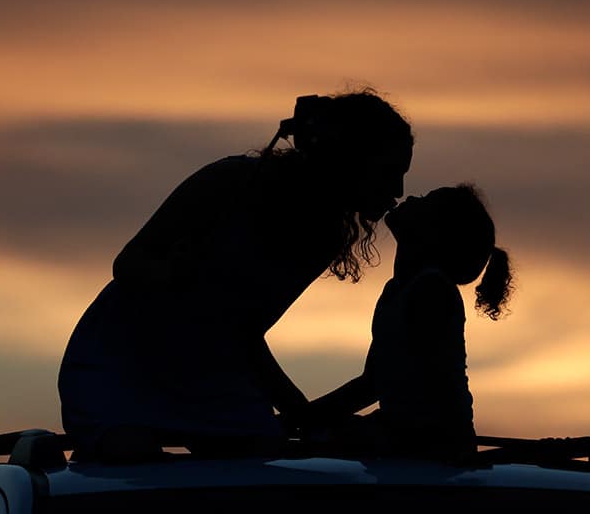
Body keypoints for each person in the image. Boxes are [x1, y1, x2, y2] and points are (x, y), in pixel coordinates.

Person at [58, 90, 414, 459]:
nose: (399, 191)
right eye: (390, 172)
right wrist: (173, 274)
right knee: (131, 460)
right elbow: (128, 264)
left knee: (257, 462)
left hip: (209, 372)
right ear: (349, 158)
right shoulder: (230, 180)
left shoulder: (324, 237)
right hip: (121, 360)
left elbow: (241, 333)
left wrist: (300, 414)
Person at [305, 184, 513, 460]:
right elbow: (373, 381)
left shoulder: (431, 290)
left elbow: (414, 392)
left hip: (434, 451)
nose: (412, 197)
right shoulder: (398, 289)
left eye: (426, 201)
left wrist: (304, 417)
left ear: (435, 234)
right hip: (414, 442)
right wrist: (304, 417)